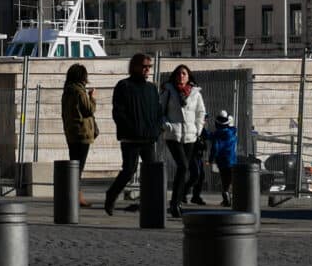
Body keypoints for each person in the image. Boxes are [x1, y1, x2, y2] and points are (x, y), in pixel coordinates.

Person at [103, 53, 162, 215]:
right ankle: (112, 195)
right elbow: (118, 112)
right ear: (135, 66)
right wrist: (130, 128)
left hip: (149, 137)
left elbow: (158, 112)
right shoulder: (124, 86)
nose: (147, 69)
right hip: (130, 138)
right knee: (129, 170)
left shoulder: (151, 88)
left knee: (151, 171)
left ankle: (148, 203)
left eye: (149, 67)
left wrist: (157, 129)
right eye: (144, 66)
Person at [158, 64, 206, 218]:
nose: (181, 76)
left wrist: (197, 129)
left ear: (188, 76)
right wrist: (167, 126)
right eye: (178, 73)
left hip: (190, 136)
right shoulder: (169, 90)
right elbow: (159, 111)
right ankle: (175, 204)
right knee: (183, 166)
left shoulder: (195, 93)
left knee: (184, 169)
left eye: (184, 73)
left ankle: (176, 203)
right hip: (174, 134)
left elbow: (201, 112)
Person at [60, 63, 98, 208]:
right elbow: (89, 110)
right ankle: (76, 196)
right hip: (82, 134)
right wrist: (92, 97)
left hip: (71, 133)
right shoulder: (79, 92)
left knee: (74, 165)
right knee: (78, 167)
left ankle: (75, 195)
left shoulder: (67, 91)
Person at [208, 110, 239, 206]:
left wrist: (210, 159)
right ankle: (229, 196)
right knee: (231, 179)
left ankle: (226, 195)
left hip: (222, 161)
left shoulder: (217, 135)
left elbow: (215, 148)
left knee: (224, 179)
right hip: (232, 160)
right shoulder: (233, 133)